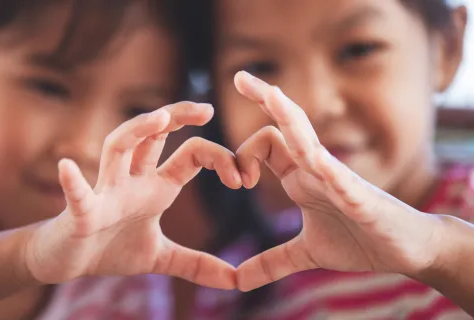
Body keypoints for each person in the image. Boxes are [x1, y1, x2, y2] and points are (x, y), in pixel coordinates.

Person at [192, 0, 474, 318]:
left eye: (358, 50)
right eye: (260, 67)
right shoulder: (235, 283)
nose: (314, 104)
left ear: (446, 49)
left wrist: (443, 254)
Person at [0, 0, 239, 319]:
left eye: (137, 112)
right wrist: (27, 258)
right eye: (50, 88)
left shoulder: (123, 284)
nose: (87, 146)